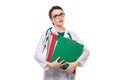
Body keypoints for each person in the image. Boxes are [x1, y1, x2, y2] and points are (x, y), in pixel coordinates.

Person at [34, 5, 90, 80]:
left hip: (67, 76)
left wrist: (75, 64)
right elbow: (37, 54)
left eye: (61, 14)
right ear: (51, 19)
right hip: (51, 76)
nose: (60, 17)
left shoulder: (72, 34)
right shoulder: (47, 33)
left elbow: (86, 51)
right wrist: (50, 65)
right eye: (56, 16)